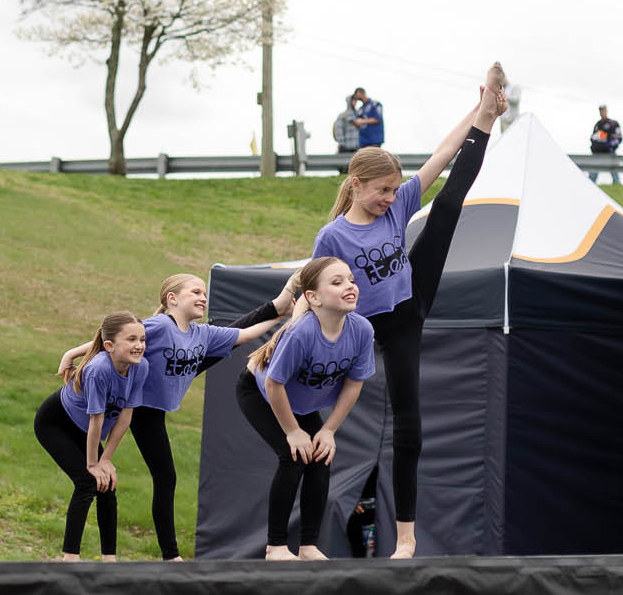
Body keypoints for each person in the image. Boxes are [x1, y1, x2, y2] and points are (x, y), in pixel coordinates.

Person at [313, 64, 507, 558]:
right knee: (317, 412)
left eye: (393, 190)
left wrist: (478, 110)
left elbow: (443, 153)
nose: (389, 199)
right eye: (381, 191)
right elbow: (311, 289)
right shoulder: (333, 236)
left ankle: (405, 536)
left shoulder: (399, 202)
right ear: (356, 185)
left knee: (410, 423)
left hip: (407, 307)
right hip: (359, 324)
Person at [56, 274, 287, 560]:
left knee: (164, 477)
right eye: (195, 292)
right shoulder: (161, 326)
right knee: (153, 477)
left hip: (153, 408)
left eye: (205, 292)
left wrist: (281, 317)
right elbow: (114, 337)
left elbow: (245, 335)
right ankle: (168, 556)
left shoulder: (201, 334)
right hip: (138, 408)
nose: (203, 297)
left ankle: (160, 555)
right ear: (172, 299)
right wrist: (73, 353)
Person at [237, 257, 376, 561]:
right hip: (261, 393)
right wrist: (292, 431)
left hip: (299, 403)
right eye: (337, 282)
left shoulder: (362, 330)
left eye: (350, 280)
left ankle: (309, 546)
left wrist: (329, 430)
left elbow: (355, 383)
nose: (349, 286)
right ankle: (275, 547)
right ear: (312, 298)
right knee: (292, 455)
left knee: (321, 456)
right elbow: (274, 385)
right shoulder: (301, 332)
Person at [35, 313, 147, 562]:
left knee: (107, 484)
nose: (139, 345)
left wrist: (106, 460)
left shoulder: (140, 367)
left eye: (142, 339)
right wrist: (92, 464)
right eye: (131, 339)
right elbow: (96, 420)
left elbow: (125, 416)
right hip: (56, 423)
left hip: (85, 429)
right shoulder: (98, 370)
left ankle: (110, 560)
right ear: (110, 346)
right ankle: (70, 559)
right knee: (87, 482)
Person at [589, 105, 623, 185]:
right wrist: (594, 147)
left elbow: (618, 138)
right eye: (600, 111)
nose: (602, 112)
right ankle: (590, 186)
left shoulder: (613, 123)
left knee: (614, 173)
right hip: (597, 153)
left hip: (609, 152)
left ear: (606, 111)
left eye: (603, 110)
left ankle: (617, 186)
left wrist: (609, 146)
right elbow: (593, 138)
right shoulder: (598, 124)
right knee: (592, 174)